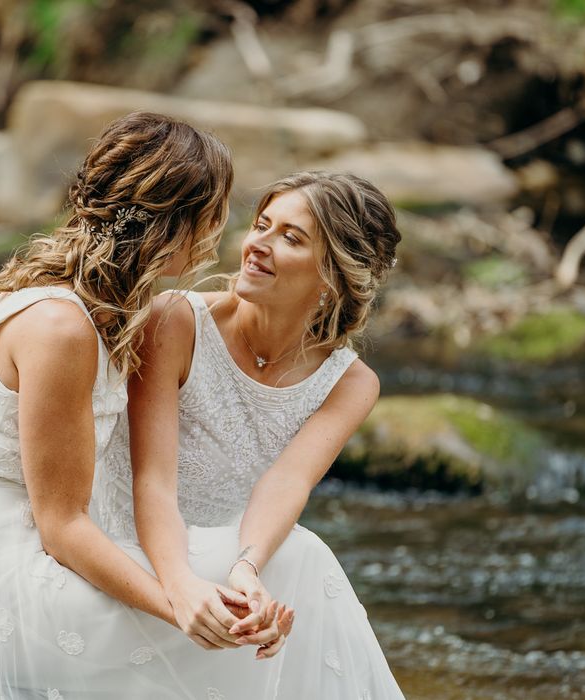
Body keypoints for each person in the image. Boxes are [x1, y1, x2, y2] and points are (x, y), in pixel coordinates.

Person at [0, 111, 288, 700]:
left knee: (282, 562)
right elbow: (61, 526)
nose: (221, 231)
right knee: (241, 605)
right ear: (177, 224)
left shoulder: (105, 305)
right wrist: (178, 606)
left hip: (19, 547)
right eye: (215, 212)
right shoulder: (60, 327)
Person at [95, 171, 406, 698]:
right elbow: (152, 482)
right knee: (305, 558)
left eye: (291, 237)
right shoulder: (174, 321)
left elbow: (287, 483)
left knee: (288, 573)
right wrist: (180, 585)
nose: (257, 245)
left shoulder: (351, 383)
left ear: (334, 276)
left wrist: (247, 571)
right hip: (131, 558)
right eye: (262, 224)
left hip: (220, 568)